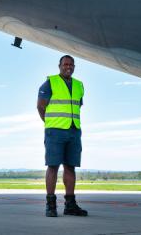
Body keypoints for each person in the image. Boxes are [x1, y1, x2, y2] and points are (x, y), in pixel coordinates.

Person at [36, 54, 88, 217]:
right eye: (66, 64)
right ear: (59, 66)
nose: (68, 67)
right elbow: (40, 106)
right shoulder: (50, 82)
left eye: (71, 65)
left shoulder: (79, 85)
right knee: (53, 166)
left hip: (73, 130)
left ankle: (70, 205)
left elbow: (77, 106)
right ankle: (50, 205)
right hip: (55, 131)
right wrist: (49, 123)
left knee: (70, 166)